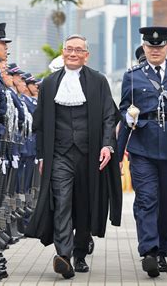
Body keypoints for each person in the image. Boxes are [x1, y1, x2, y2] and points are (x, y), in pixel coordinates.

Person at [26, 34, 122, 279]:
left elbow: (109, 116)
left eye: (78, 50)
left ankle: (80, 254)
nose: (73, 53)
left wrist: (107, 145)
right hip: (59, 155)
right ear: (63, 51)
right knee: (62, 202)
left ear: (86, 55)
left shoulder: (99, 82)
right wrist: (41, 157)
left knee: (85, 204)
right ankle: (64, 256)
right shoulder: (48, 84)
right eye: (69, 49)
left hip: (89, 155)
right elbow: (40, 124)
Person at [118, 26, 167, 278]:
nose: (154, 50)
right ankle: (149, 251)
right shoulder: (132, 75)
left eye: (159, 46)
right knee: (147, 199)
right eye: (150, 47)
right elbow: (122, 108)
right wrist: (129, 119)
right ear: (144, 48)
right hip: (143, 145)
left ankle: (162, 250)